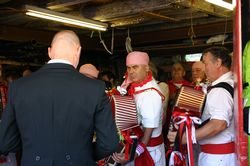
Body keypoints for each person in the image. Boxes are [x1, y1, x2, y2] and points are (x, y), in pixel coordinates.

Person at [0, 30, 119, 166]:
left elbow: (5, 142)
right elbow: (109, 143)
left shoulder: (18, 87)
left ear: (50, 52)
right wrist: (84, 153)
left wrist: (32, 150)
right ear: (78, 51)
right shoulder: (95, 88)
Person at [168, 46, 235, 166]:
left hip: (217, 158)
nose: (204, 68)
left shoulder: (220, 90)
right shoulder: (230, 83)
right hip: (219, 156)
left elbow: (219, 124)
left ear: (218, 63)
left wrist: (186, 137)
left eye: (205, 63)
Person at [112, 51, 165, 166]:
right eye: (128, 68)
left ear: (146, 68)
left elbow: (148, 130)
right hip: (135, 146)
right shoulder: (136, 87)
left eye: (135, 67)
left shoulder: (150, 94)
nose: (131, 72)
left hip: (148, 151)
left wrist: (134, 153)